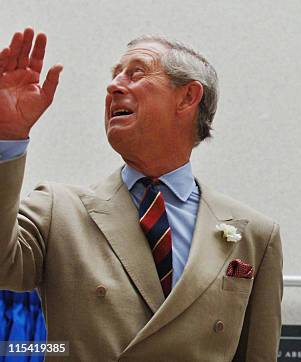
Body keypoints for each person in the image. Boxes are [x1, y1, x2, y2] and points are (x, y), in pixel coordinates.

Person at [0, 28, 282, 361]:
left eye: (136, 73)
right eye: (115, 75)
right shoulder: (58, 209)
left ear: (188, 97)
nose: (113, 86)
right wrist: (8, 137)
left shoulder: (254, 236)